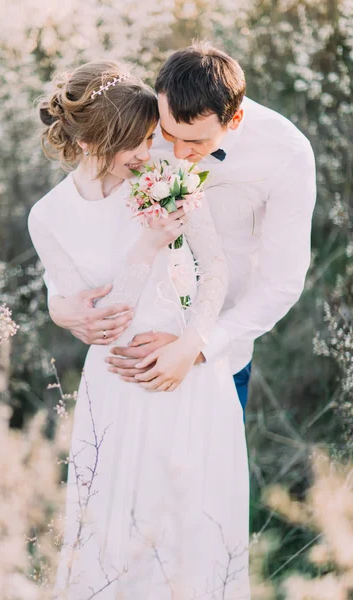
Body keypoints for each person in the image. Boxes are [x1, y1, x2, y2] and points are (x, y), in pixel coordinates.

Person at [28, 61, 250, 598]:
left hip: (189, 378)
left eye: (150, 137)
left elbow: (214, 269)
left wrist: (192, 343)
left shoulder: (165, 179)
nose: (148, 151)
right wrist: (145, 248)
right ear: (91, 141)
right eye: (136, 140)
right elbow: (104, 318)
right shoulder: (48, 217)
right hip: (117, 384)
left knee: (194, 529)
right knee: (116, 529)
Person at [47, 43, 316, 418]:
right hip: (127, 356)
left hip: (221, 355)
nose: (175, 155)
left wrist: (197, 345)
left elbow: (281, 283)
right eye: (168, 137)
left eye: (195, 142)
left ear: (234, 120)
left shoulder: (287, 154)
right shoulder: (143, 122)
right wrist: (59, 304)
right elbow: (82, 220)